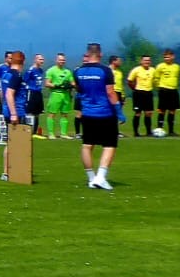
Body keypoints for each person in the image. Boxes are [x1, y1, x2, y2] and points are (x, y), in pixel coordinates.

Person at [74, 43, 122, 189]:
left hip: (87, 112)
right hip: (105, 113)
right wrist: (118, 110)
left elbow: (78, 89)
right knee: (109, 145)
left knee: (87, 145)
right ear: (100, 55)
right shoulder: (105, 71)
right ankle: (101, 177)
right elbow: (110, 92)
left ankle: (91, 178)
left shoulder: (78, 71)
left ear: (87, 54)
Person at [0, 50, 27, 180]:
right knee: (14, 143)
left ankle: (11, 171)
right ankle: (8, 172)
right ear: (22, 61)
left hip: (7, 110)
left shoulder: (6, 74)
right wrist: (14, 114)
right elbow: (9, 94)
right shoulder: (16, 75)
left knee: (12, 142)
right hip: (15, 111)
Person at [43, 53, 74, 140]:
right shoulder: (51, 70)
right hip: (56, 94)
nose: (62, 61)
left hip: (66, 95)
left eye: (63, 60)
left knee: (65, 114)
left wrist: (70, 85)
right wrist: (57, 85)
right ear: (56, 60)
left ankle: (63, 133)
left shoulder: (68, 71)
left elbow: (72, 83)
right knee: (52, 114)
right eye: (60, 60)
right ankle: (51, 133)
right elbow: (47, 83)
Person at [153, 48, 180, 135]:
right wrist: (159, 87)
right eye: (165, 57)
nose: (166, 59)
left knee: (172, 110)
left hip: (173, 90)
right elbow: (156, 78)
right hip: (164, 90)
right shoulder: (160, 66)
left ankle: (171, 131)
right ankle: (160, 129)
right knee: (162, 110)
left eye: (168, 57)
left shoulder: (177, 67)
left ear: (173, 57)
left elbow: (177, 77)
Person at [126, 54, 156, 136]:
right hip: (139, 93)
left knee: (148, 113)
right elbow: (129, 80)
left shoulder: (153, 70)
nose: (147, 62)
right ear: (141, 61)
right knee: (138, 113)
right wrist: (134, 89)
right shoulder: (136, 70)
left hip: (149, 93)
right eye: (145, 60)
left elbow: (155, 80)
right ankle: (136, 132)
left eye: (148, 60)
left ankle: (149, 132)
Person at [23, 54, 46, 132]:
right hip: (31, 92)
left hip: (38, 93)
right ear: (35, 60)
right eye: (40, 59)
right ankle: (27, 130)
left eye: (42, 59)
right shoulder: (30, 70)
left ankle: (35, 131)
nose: (42, 61)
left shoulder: (41, 70)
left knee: (37, 113)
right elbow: (24, 82)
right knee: (29, 112)